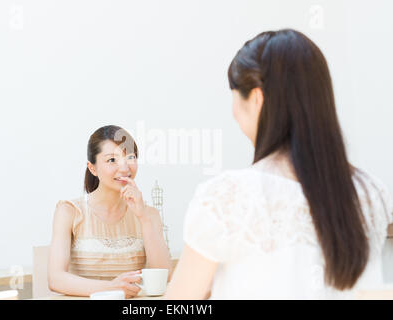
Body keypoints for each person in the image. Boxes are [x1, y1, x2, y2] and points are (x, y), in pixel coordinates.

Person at [165, 29, 393, 299]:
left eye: (235, 95)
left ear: (257, 99)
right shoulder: (367, 194)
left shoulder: (226, 196)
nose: (234, 110)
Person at [48, 125, 172, 298]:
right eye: (112, 160)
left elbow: (164, 276)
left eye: (130, 157)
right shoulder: (69, 211)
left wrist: (143, 218)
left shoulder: (149, 214)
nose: (124, 168)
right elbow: (56, 279)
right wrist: (111, 287)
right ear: (92, 168)